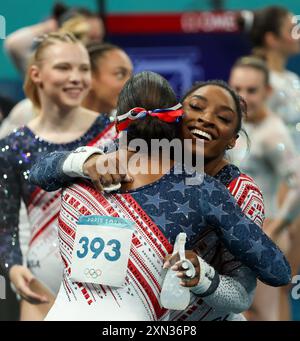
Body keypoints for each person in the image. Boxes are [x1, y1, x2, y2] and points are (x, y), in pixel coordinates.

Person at [30, 71, 290, 321]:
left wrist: (203, 277)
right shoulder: (109, 156)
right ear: (176, 115)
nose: (207, 119)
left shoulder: (237, 191)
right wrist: (85, 162)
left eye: (223, 118)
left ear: (234, 140)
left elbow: (252, 290)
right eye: (197, 107)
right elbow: (40, 171)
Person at [0, 32, 116, 321]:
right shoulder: (13, 147)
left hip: (107, 283)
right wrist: (13, 266)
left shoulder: (114, 135)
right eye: (64, 68)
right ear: (36, 74)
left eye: (84, 69)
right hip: (42, 284)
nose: (76, 77)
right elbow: (6, 226)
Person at [229, 56, 300, 320]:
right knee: (242, 311)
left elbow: (297, 184)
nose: (243, 96)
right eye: (237, 88)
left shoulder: (273, 134)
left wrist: (278, 224)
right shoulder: (237, 125)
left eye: (251, 90)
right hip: (239, 233)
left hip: (262, 235)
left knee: (261, 312)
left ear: (268, 91)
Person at [4, 2, 105, 76]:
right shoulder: (45, 66)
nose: (97, 44)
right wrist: (53, 25)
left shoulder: (99, 68)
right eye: (91, 38)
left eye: (99, 37)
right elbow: (13, 43)